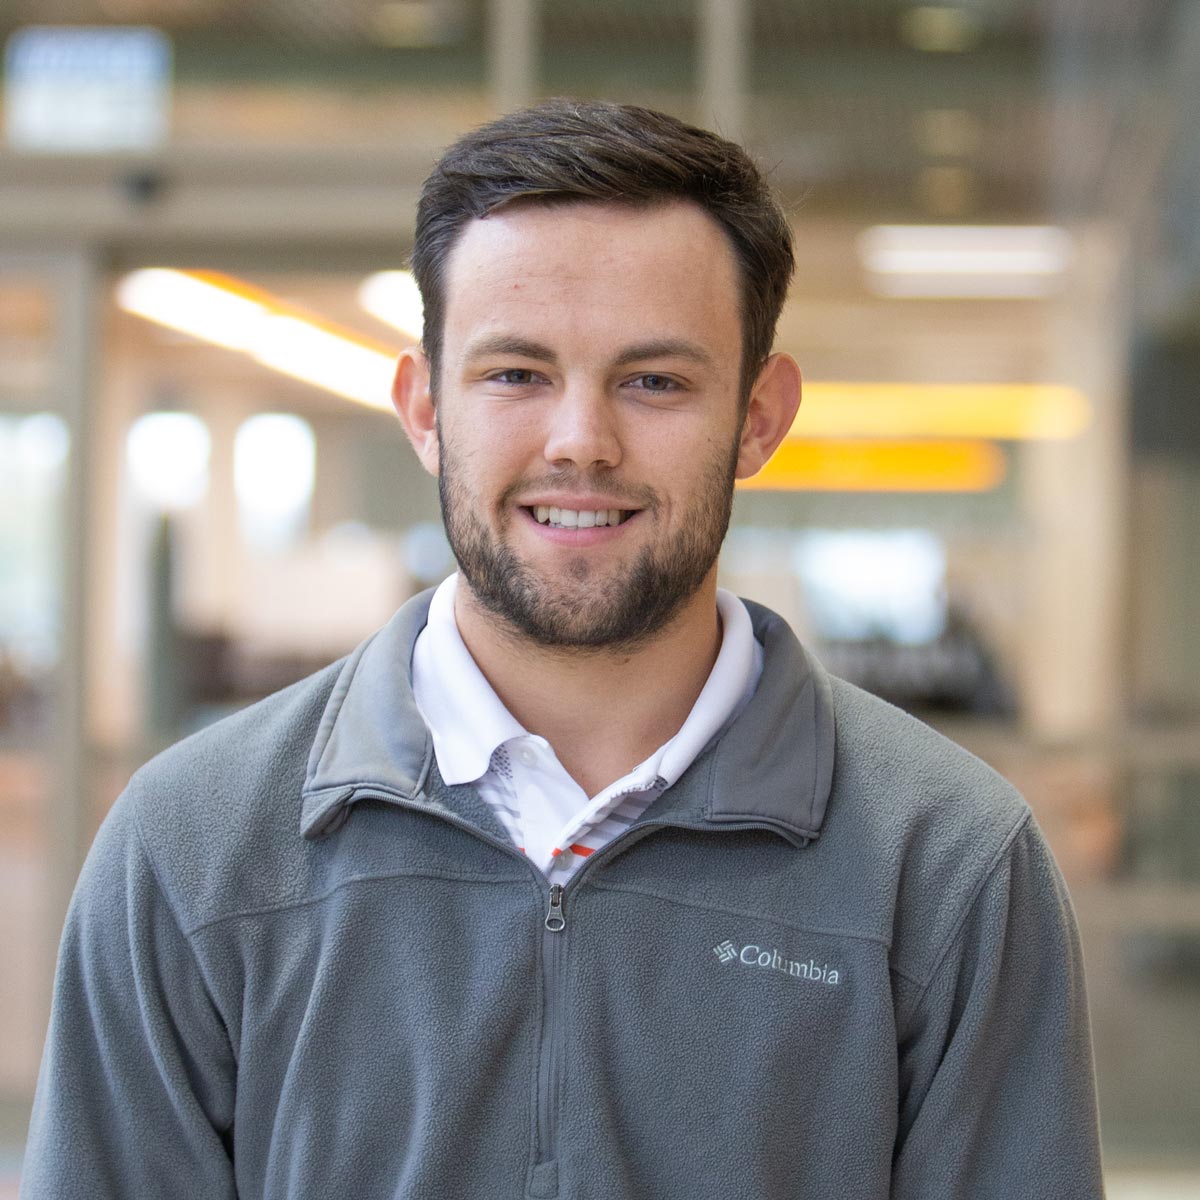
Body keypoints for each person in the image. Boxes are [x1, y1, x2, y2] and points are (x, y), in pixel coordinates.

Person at [23, 100, 1104, 1199]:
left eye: (655, 381)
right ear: (423, 408)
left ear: (759, 417)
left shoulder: (949, 865)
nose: (581, 441)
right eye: (516, 375)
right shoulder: (195, 847)